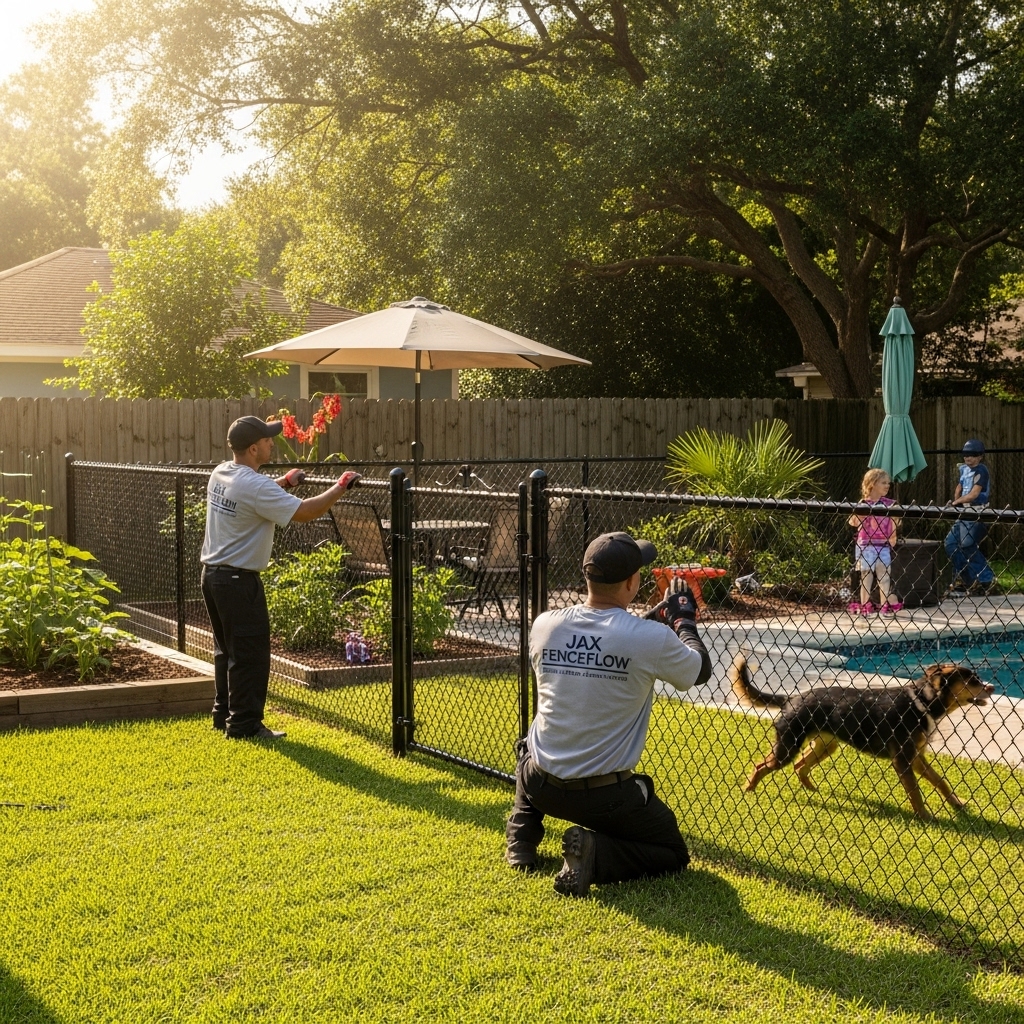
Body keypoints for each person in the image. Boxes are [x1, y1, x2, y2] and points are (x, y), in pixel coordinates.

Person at [505, 531, 713, 897]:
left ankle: (521, 843)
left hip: (541, 786)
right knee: (672, 852)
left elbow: (601, 640)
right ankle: (595, 852)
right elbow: (699, 671)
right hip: (606, 800)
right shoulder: (649, 639)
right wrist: (683, 620)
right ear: (632, 582)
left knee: (530, 742)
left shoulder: (544, 624)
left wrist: (652, 622)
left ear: (587, 575)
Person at [201, 415, 362, 739]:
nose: (272, 443)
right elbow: (305, 512)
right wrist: (340, 486)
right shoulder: (254, 484)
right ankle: (245, 726)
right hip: (238, 582)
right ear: (253, 448)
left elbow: (254, 498)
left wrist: (285, 482)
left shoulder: (222, 473)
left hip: (213, 578)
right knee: (250, 657)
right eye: (267, 440)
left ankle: (224, 715)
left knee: (226, 652)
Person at [944, 438, 998, 597]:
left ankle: (987, 580)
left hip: (976, 512)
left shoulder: (981, 470)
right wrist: (957, 499)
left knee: (967, 545)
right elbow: (960, 486)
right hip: (964, 512)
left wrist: (957, 502)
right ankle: (969, 580)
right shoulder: (963, 469)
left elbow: (974, 494)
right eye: (966, 455)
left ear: (980, 456)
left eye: (972, 455)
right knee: (951, 545)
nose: (968, 458)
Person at [847, 468, 901, 616]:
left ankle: (884, 606)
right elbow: (853, 522)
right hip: (865, 545)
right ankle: (865, 605)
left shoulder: (889, 504)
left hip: (882, 545)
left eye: (888, 483)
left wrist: (893, 535)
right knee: (866, 575)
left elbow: (894, 521)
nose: (887, 486)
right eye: (883, 482)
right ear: (872, 484)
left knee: (884, 575)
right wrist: (861, 514)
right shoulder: (864, 503)